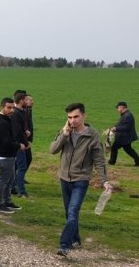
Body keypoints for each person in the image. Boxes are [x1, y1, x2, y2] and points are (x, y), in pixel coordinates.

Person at [49, 102, 110, 257]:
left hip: (81, 180)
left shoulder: (92, 135)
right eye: (69, 117)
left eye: (76, 116)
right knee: (68, 212)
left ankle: (64, 245)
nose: (73, 120)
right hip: (64, 178)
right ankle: (75, 239)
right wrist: (64, 135)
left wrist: (105, 181)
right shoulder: (65, 132)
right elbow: (53, 150)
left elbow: (99, 160)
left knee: (73, 210)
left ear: (84, 116)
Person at [0, 97, 24, 213]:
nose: (12, 110)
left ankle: (7, 201)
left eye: (13, 108)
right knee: (3, 181)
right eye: (9, 107)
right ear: (2, 107)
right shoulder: (1, 122)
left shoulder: (6, 119)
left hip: (9, 157)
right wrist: (18, 146)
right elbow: (6, 141)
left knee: (10, 180)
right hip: (4, 157)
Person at [11, 90, 30, 197]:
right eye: (26, 99)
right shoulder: (16, 113)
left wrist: (25, 131)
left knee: (15, 167)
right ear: (21, 100)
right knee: (22, 167)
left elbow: (20, 129)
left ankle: (12, 187)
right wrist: (25, 143)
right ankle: (21, 191)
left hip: (18, 143)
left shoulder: (21, 112)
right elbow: (17, 132)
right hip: (18, 145)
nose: (28, 101)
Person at [109, 101, 139, 166]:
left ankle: (111, 162)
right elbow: (120, 124)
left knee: (114, 148)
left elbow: (126, 127)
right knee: (128, 150)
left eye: (118, 108)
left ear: (122, 107)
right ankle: (138, 161)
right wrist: (114, 127)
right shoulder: (125, 114)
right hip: (125, 137)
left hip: (124, 137)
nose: (117, 109)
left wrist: (116, 129)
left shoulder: (127, 115)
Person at [24, 94, 34, 178]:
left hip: (27, 139)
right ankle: (18, 178)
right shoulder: (24, 111)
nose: (32, 102)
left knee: (28, 159)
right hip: (24, 139)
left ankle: (20, 177)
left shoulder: (29, 110)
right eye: (30, 100)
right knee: (26, 159)